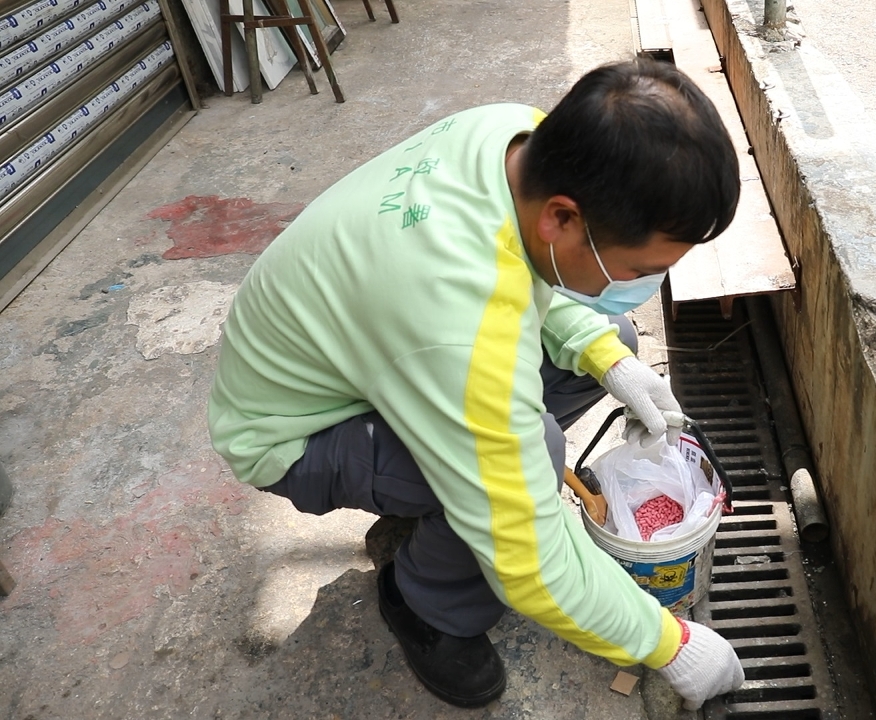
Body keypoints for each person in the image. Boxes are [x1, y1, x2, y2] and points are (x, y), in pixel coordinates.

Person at [207, 59, 746, 709]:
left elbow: (527, 274)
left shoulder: (512, 135)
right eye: (637, 269)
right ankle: (423, 601)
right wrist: (669, 644)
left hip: (364, 351)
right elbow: (531, 562)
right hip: (290, 433)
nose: (643, 284)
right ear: (562, 218)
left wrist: (609, 359)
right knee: (531, 458)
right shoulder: (459, 330)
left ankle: (432, 508)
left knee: (608, 339)